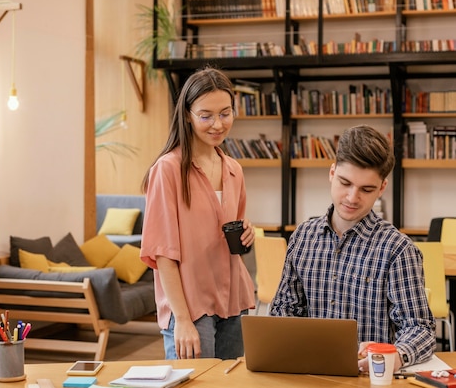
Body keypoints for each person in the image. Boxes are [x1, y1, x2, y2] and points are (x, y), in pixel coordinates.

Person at [269, 124, 436, 373]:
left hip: (368, 376)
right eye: (345, 182)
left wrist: (393, 356)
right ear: (332, 172)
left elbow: (419, 329)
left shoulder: (398, 249)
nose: (351, 197)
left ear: (381, 188)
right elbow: (284, 309)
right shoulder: (303, 237)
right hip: (308, 373)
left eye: (366, 189)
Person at [140, 67, 256, 360]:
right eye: (206, 116)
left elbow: (232, 238)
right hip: (190, 308)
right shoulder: (168, 170)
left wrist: (247, 234)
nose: (217, 124)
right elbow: (163, 253)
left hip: (234, 302)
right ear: (187, 115)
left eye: (225, 113)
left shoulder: (234, 170)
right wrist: (181, 319)